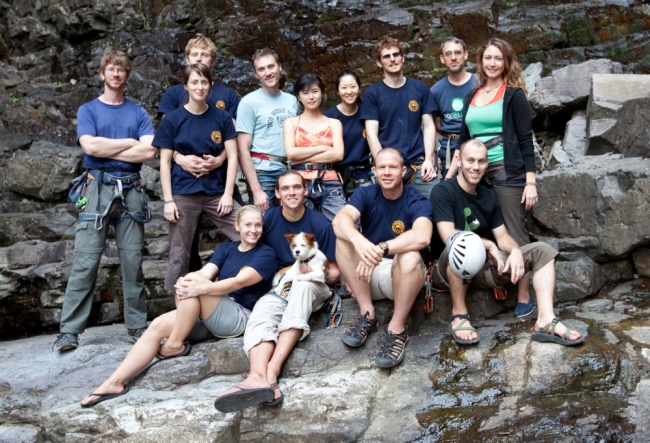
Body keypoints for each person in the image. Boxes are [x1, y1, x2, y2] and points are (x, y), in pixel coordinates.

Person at [79, 206, 278, 407]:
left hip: (237, 317)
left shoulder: (266, 254)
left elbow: (237, 283)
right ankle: (114, 383)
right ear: (237, 226)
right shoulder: (226, 249)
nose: (253, 230)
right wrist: (189, 280)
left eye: (258, 225)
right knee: (158, 323)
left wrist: (197, 286)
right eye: (248, 225)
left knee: (196, 290)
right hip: (208, 315)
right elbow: (205, 273)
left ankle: (174, 345)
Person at [430, 139, 583, 346]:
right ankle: (459, 315)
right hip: (448, 268)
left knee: (543, 251)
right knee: (462, 245)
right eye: (470, 160)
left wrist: (515, 251)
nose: (476, 167)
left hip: (483, 269)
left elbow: (502, 236)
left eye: (481, 161)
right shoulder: (443, 191)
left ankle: (546, 319)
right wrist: (489, 245)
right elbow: (448, 235)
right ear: (458, 159)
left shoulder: (488, 195)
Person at [53, 51, 156, 351]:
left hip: (131, 192)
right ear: (102, 74)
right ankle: (69, 331)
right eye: (111, 69)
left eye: (121, 70)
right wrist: (128, 143)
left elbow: (149, 152)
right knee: (85, 260)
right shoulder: (88, 110)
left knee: (132, 261)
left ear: (127, 75)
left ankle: (137, 326)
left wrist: (104, 149)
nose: (116, 74)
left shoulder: (138, 113)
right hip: (97, 189)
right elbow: (89, 145)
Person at [215, 171, 340, 412]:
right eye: (285, 188)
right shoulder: (269, 220)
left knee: (303, 286)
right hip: (279, 285)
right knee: (263, 309)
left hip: (314, 285)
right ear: (277, 193)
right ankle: (256, 377)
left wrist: (310, 268)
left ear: (306, 190)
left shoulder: (320, 224)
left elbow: (334, 272)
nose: (291, 193)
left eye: (297, 187)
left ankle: (272, 371)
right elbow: (255, 251)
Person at [459, 37, 538, 318]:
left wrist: (530, 182)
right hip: (473, 170)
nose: (492, 63)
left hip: (506, 169)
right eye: (488, 58)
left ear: (506, 63)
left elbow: (526, 141)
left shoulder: (513, 95)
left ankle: (525, 294)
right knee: (476, 225)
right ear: (480, 62)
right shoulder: (472, 96)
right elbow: (464, 138)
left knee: (514, 231)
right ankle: (488, 282)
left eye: (498, 58)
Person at [332, 148, 433, 368]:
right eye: (382, 167)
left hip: (402, 276)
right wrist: (360, 243)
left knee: (411, 255)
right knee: (343, 239)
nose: (387, 172)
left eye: (393, 167)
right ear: (374, 171)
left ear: (403, 170)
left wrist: (381, 248)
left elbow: (423, 236)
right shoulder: (365, 194)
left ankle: (397, 330)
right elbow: (340, 220)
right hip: (367, 275)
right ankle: (367, 314)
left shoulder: (417, 200)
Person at [154, 63, 241, 298]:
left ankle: (244, 288)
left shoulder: (221, 117)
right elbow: (164, 162)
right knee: (179, 253)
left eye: (204, 82)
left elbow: (232, 157)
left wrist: (228, 194)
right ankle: (182, 308)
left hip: (216, 193)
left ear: (210, 86)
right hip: (183, 193)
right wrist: (169, 200)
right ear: (185, 86)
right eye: (194, 82)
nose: (200, 87)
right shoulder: (172, 120)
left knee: (247, 231)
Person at [360, 37, 438, 198]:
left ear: (402, 58)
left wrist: (429, 160)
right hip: (389, 168)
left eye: (396, 54)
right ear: (379, 63)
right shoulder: (373, 94)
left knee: (437, 205)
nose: (393, 59)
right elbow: (371, 134)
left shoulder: (420, 88)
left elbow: (429, 126)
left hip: (419, 164)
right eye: (387, 56)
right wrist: (383, 166)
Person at [236, 48, 298, 210]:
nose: (267, 73)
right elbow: (242, 148)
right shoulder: (249, 102)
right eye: (261, 69)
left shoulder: (293, 101)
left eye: (271, 67)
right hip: (264, 173)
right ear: (256, 74)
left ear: (280, 67)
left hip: (290, 171)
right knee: (264, 225)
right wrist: (256, 190)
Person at [284, 73, 345, 221]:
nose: (311, 97)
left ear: (322, 93)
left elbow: (338, 155)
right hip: (299, 183)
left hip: (329, 181)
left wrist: (301, 156)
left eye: (315, 91)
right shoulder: (291, 123)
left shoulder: (334, 123)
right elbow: (291, 154)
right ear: (298, 96)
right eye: (305, 93)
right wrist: (323, 148)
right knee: (303, 229)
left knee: (341, 224)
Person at [430, 36, 475, 180]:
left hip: (477, 145)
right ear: (442, 59)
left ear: (465, 55)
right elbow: (438, 124)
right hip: (449, 150)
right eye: (448, 54)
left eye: (458, 52)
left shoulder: (480, 84)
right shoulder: (436, 91)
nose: (453, 57)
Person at [324, 71, 373, 199]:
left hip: (364, 174)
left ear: (359, 88)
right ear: (338, 92)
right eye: (344, 88)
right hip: (337, 175)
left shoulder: (367, 113)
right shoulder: (329, 117)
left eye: (353, 86)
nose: (349, 91)